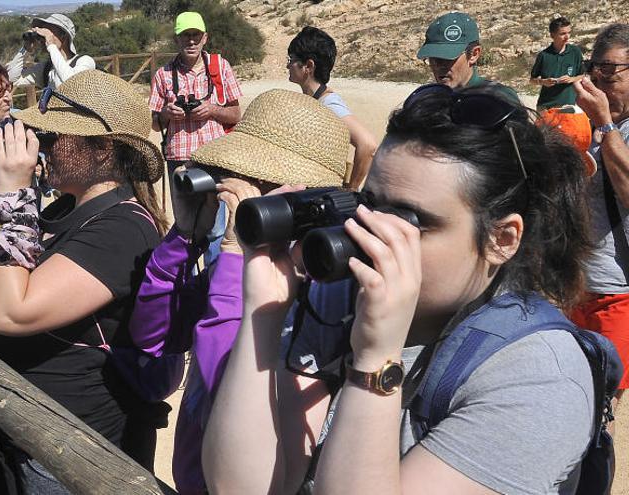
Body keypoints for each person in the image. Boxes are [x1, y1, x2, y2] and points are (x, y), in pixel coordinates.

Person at [203, 85, 596, 493]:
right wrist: (264, 311)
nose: (372, 236)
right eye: (369, 206)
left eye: (410, 221)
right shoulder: (341, 301)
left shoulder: (538, 377)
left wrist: (376, 360)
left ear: (503, 239)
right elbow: (241, 488)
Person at [130, 89, 351, 495]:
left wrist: (236, 257)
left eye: (255, 184)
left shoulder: (325, 297)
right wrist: (184, 236)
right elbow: (152, 335)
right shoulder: (232, 269)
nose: (233, 193)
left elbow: (222, 389)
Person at [0, 70, 168, 491]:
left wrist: (11, 199)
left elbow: (10, 313)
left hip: (71, 441)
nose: (44, 145)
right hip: (29, 423)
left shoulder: (122, 229)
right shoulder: (66, 209)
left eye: (55, 136)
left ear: (102, 150)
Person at [149, 11, 242, 265]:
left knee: (215, 231)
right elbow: (155, 124)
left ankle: (210, 288)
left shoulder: (219, 67)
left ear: (205, 38)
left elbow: (235, 114)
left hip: (214, 160)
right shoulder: (163, 75)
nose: (191, 41)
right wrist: (167, 114)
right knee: (185, 230)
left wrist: (213, 110)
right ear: (177, 40)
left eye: (195, 35)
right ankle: (185, 287)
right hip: (179, 161)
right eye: (185, 36)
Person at [571, 22, 629, 413]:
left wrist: (605, 124)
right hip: (575, 285)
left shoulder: (610, 127)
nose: (601, 81)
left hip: (618, 293)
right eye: (596, 70)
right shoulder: (592, 127)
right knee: (570, 391)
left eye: (611, 72)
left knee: (602, 404)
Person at [287, 26, 377, 190]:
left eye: (291, 60)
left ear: (308, 66)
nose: (288, 66)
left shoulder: (328, 104)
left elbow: (368, 145)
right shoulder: (314, 100)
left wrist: (352, 190)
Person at [416, 12, 520, 103]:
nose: (438, 66)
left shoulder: (499, 100)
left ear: (474, 54)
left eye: (446, 58)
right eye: (433, 58)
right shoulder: (427, 101)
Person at [6, 14, 95, 90]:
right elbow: (12, 79)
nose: (44, 37)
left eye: (48, 32)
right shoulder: (46, 68)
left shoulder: (85, 61)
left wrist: (51, 45)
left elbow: (71, 84)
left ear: (63, 36)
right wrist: (25, 49)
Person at [530, 17, 585, 110]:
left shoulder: (575, 52)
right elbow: (532, 79)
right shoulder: (543, 55)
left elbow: (583, 75)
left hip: (568, 106)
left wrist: (571, 79)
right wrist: (543, 82)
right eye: (563, 34)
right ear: (552, 35)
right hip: (545, 107)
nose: (567, 36)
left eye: (569, 32)